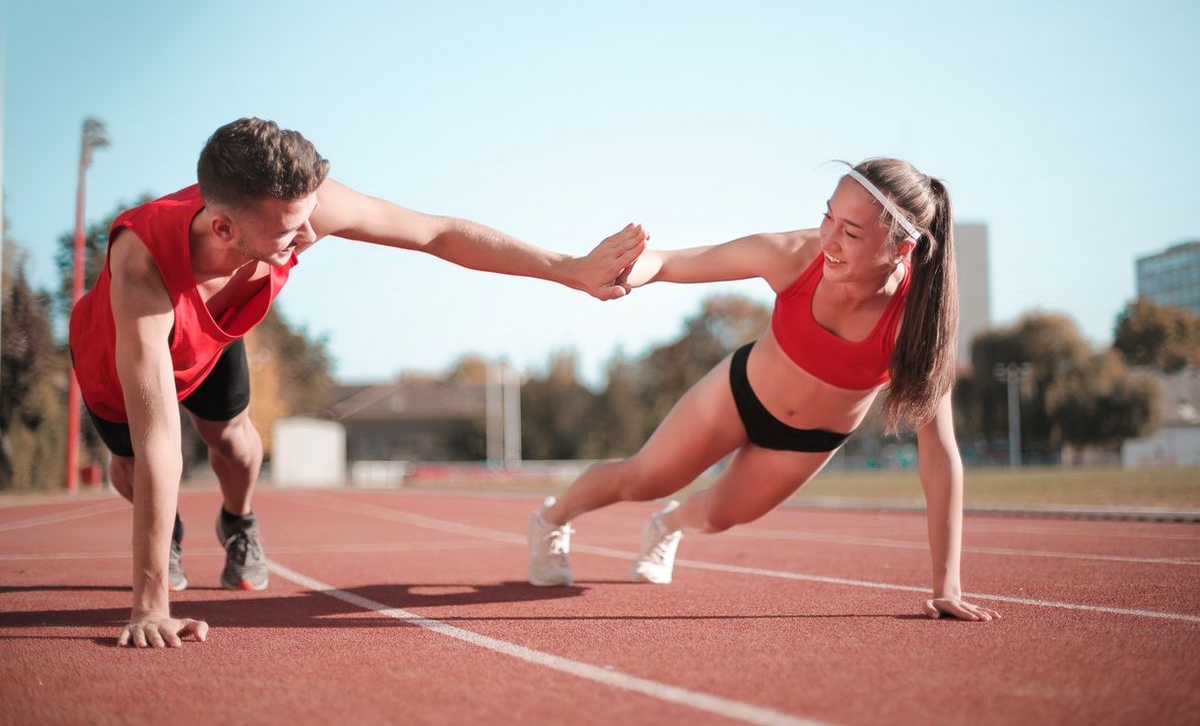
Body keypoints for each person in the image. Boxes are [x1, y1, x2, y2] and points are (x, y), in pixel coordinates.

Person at [69, 117, 647, 648]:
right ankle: (165, 533)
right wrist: (150, 608)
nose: (308, 238)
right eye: (289, 234)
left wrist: (567, 269)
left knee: (235, 443)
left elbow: (437, 233)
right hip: (120, 351)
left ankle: (238, 523)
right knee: (138, 468)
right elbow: (159, 442)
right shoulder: (143, 266)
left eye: (307, 220)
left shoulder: (305, 209)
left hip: (214, 334)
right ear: (223, 227)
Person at [526, 158, 1000, 622]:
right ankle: (551, 520)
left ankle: (666, 526)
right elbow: (671, 262)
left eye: (851, 233)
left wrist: (947, 588)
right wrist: (624, 271)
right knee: (645, 478)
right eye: (827, 216)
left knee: (716, 516)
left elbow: (939, 453)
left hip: (808, 441)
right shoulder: (794, 255)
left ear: (900, 250)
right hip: (739, 394)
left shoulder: (916, 323)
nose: (829, 240)